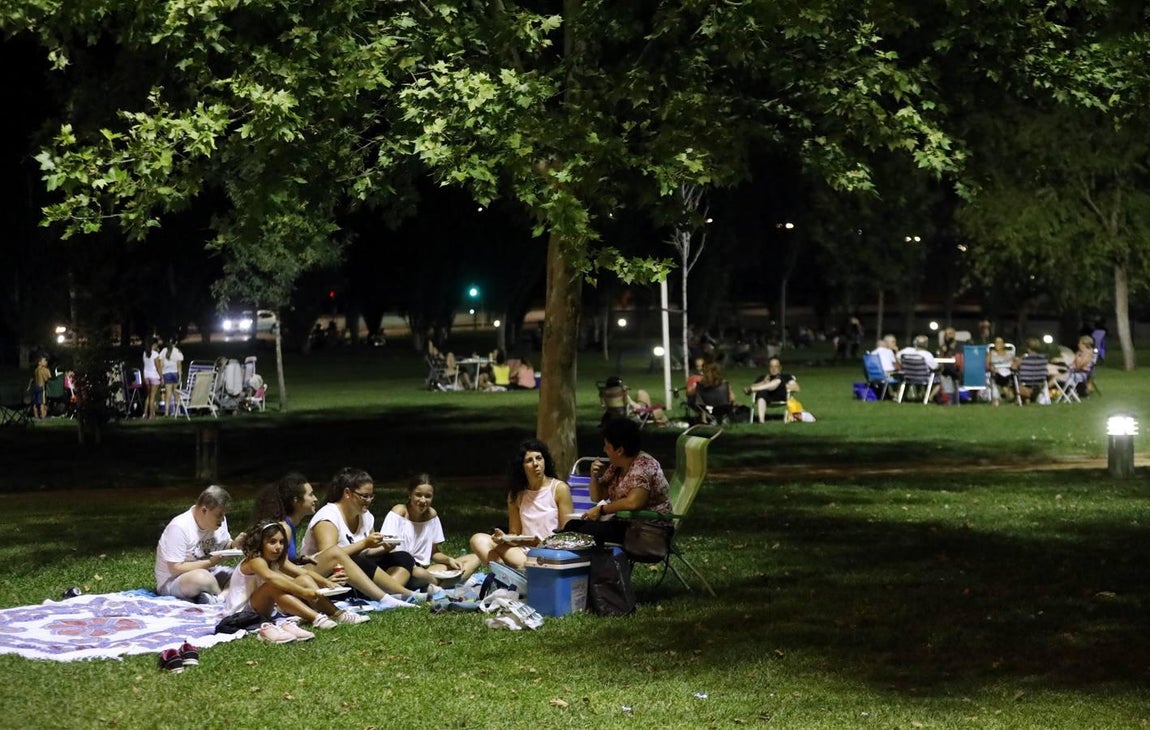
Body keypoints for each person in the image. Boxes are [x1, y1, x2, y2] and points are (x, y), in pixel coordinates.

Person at [250, 473, 393, 603]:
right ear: (296, 500)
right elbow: (276, 569)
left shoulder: (290, 526)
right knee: (334, 553)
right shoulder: (284, 528)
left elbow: (283, 561)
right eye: (311, 495)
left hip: (294, 578)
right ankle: (386, 598)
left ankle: (392, 595)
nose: (315, 499)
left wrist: (302, 560)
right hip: (284, 584)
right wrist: (321, 581)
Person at [225, 520, 369, 635]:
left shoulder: (275, 560)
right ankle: (316, 618)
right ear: (259, 543)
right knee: (272, 586)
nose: (278, 547)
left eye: (281, 542)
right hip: (243, 612)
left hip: (266, 606)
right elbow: (271, 578)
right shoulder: (255, 560)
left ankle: (337, 613)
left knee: (304, 579)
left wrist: (325, 582)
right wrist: (303, 592)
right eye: (272, 542)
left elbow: (303, 573)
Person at [300, 467, 419, 597]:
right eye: (364, 496)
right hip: (331, 575)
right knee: (357, 562)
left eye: (371, 496)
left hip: (358, 570)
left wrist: (384, 547)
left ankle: (387, 592)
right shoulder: (328, 517)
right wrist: (364, 543)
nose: (369, 500)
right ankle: (402, 593)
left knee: (403, 557)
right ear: (347, 493)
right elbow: (329, 557)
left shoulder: (365, 515)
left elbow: (367, 551)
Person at [563, 418, 671, 546]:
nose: (604, 450)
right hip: (628, 525)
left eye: (607, 446)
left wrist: (601, 510)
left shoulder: (644, 466)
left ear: (619, 450)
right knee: (572, 525)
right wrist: (594, 477)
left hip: (648, 530)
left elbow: (633, 502)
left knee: (581, 532)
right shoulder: (617, 466)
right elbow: (597, 496)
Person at [470, 440, 574, 570]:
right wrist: (504, 538)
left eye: (539, 458)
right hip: (523, 554)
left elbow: (568, 535)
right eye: (529, 460)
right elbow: (515, 534)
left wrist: (541, 544)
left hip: (550, 553)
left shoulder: (559, 489)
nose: (536, 464)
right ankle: (508, 574)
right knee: (478, 539)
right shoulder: (517, 494)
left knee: (529, 562)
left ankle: (515, 574)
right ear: (521, 467)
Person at [381, 474, 481, 588]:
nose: (423, 500)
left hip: (424, 570)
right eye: (418, 495)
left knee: (474, 559)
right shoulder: (399, 512)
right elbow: (387, 549)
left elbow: (434, 553)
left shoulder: (431, 515)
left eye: (428, 496)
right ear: (409, 494)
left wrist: (449, 560)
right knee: (418, 573)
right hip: (402, 569)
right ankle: (442, 585)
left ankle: (436, 586)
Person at [154, 485, 246, 603]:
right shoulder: (179, 527)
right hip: (174, 581)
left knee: (243, 575)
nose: (222, 520)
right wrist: (210, 562)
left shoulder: (218, 522)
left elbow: (223, 547)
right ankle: (222, 597)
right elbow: (175, 568)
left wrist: (234, 545)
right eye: (219, 515)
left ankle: (217, 599)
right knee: (202, 578)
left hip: (209, 571)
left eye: (224, 515)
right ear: (204, 510)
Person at [744, 356, 799, 423]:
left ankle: (757, 388)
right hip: (766, 396)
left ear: (780, 368)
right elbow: (750, 387)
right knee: (761, 393)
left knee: (778, 380)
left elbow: (796, 388)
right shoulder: (764, 377)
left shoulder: (785, 376)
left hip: (779, 396)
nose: (773, 369)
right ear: (769, 368)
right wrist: (763, 382)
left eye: (776, 366)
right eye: (771, 366)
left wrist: (782, 386)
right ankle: (761, 421)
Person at [987, 337, 1017, 406]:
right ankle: (1006, 394)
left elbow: (1016, 361)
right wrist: (992, 368)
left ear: (1003, 344)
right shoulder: (992, 353)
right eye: (996, 343)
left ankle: (1008, 394)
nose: (998, 344)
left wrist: (1014, 364)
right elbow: (987, 364)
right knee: (998, 377)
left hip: (1009, 372)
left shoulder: (1009, 353)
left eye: (1000, 342)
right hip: (997, 373)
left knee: (1012, 376)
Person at [159, 336, 184, 416]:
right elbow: (179, 365)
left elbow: (161, 364)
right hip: (175, 373)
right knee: (176, 392)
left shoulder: (163, 351)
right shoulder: (178, 351)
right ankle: (178, 411)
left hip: (166, 373)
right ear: (176, 342)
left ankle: (166, 412)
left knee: (168, 394)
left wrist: (161, 376)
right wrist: (180, 376)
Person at [142, 337, 162, 419]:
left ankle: (145, 413)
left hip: (146, 375)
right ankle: (151, 415)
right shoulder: (155, 354)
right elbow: (158, 367)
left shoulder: (145, 353)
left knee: (149, 395)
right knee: (153, 396)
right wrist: (161, 377)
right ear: (154, 344)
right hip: (154, 375)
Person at [28, 355, 50, 420]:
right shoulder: (44, 370)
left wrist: (29, 386)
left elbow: (32, 378)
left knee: (35, 402)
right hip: (41, 387)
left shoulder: (36, 369)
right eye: (44, 361)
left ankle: (36, 415)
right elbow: (46, 379)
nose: (46, 362)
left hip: (35, 387)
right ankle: (43, 416)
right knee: (42, 402)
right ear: (39, 362)